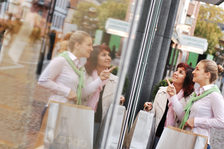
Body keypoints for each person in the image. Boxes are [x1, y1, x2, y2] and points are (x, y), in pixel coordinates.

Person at [38, 31, 111, 106]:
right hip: (55, 110)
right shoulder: (62, 60)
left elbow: (81, 94)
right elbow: (43, 81)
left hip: (68, 111)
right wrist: (67, 92)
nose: (91, 49)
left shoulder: (80, 67)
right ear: (77, 45)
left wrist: (100, 79)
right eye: (89, 45)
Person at [169, 59, 224, 149]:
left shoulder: (214, 95)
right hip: (186, 140)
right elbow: (184, 118)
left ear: (207, 74)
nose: (193, 72)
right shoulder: (197, 94)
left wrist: (196, 121)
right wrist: (173, 96)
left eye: (197, 69)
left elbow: (222, 121)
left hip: (199, 144)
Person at [144, 63, 194, 148]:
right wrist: (149, 108)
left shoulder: (189, 98)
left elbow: (183, 118)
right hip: (156, 135)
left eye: (181, 72)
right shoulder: (162, 91)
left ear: (187, 79)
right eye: (176, 70)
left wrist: (173, 97)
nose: (175, 73)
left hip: (173, 139)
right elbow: (154, 115)